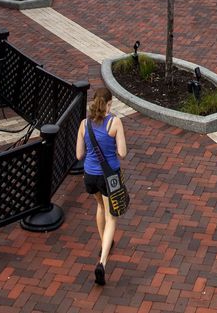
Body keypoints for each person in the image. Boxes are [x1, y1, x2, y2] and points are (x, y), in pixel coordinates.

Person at [76, 87, 127, 286]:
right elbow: (122, 152)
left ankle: (104, 243)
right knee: (111, 215)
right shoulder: (114, 122)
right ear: (108, 104)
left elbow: (79, 155)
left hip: (90, 175)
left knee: (100, 206)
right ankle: (102, 262)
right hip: (110, 177)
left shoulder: (83, 124)